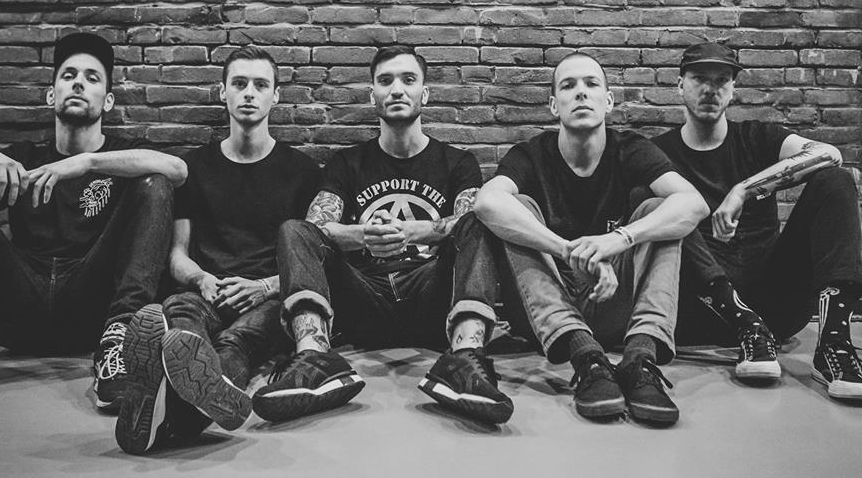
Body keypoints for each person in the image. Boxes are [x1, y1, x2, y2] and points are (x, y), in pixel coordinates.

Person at [0, 32, 186, 412]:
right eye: (69, 75)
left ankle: (120, 339)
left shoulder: (122, 159)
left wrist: (86, 162)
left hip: (91, 312)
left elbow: (178, 169)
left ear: (108, 100)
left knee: (156, 183)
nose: (79, 83)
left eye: (92, 78)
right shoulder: (22, 161)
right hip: (16, 308)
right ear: (51, 95)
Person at [252, 47, 513, 425]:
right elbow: (317, 228)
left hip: (432, 296)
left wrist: (417, 230)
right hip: (363, 299)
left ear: (425, 93)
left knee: (479, 220)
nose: (397, 89)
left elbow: (468, 222)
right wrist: (364, 235)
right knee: (294, 230)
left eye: (408, 80)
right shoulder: (347, 163)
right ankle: (314, 358)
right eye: (385, 81)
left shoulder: (457, 162)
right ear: (372, 94)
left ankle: (465, 360)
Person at [474, 52, 708, 425]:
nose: (581, 93)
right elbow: (486, 203)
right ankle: (586, 358)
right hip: (545, 312)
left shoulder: (630, 148)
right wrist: (567, 250)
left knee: (661, 211)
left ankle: (640, 359)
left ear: (608, 101)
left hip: (613, 300)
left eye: (591, 84)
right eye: (568, 86)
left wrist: (620, 239)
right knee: (515, 207)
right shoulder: (531, 155)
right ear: (554, 105)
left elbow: (694, 204)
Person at [116, 48, 321, 454]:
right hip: (207, 292)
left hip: (268, 297)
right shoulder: (194, 168)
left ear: (276, 96)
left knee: (239, 340)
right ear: (223, 93)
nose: (249, 93)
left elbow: (311, 259)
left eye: (260, 85)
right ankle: (198, 397)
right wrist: (201, 279)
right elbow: (177, 255)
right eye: (239, 84)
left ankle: (167, 408)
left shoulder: (303, 172)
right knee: (180, 309)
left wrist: (264, 287)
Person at [653, 42, 862, 399]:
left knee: (835, 180)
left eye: (721, 80)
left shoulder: (756, 137)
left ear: (733, 88)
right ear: (679, 85)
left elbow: (829, 154)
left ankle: (834, 345)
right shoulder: (659, 152)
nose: (710, 89)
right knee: (653, 201)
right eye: (699, 78)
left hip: (776, 306)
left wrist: (744, 190)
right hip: (704, 309)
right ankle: (745, 324)